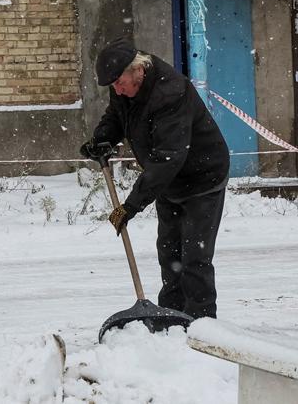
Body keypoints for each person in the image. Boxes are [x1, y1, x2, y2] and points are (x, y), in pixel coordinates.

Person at [80, 36, 230, 319]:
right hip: (169, 182)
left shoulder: (170, 93)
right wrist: (103, 139)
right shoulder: (124, 86)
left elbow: (168, 159)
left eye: (119, 83)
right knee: (169, 254)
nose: (117, 90)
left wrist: (130, 206)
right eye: (113, 86)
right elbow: (117, 114)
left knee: (194, 258)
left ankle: (203, 326)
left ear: (137, 69)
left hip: (202, 179)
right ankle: (172, 318)